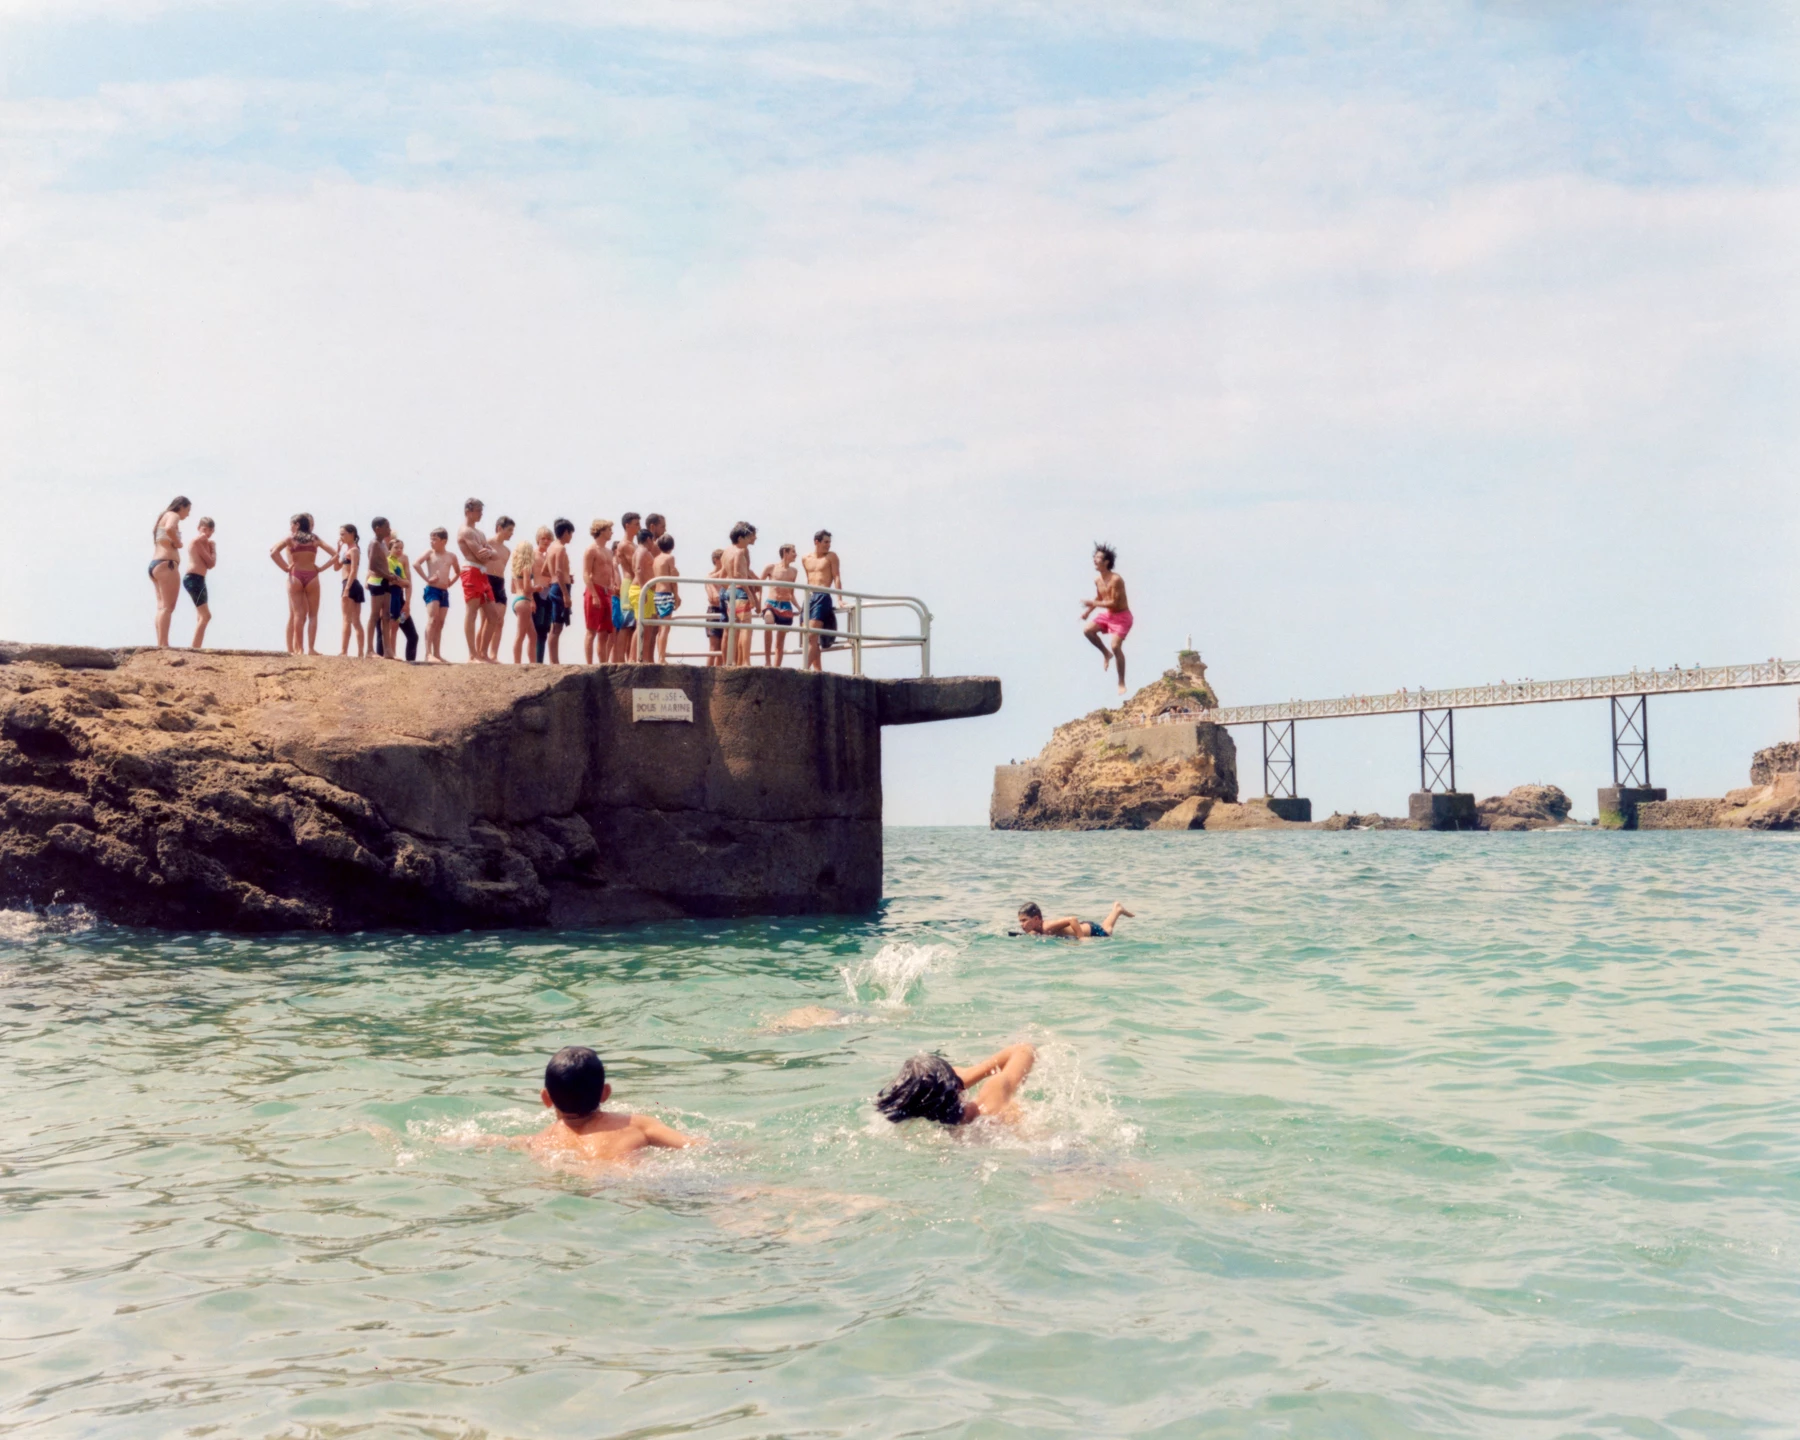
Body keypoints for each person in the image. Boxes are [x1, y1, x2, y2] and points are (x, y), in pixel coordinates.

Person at [519, 1046, 696, 1164]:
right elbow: (695, 1146)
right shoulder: (637, 1124)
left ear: (545, 1098)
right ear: (606, 1093)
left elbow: (503, 1141)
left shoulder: (539, 1141)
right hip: (632, 1181)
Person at [874, 1043, 1036, 1127]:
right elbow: (1024, 1050)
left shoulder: (940, 1135)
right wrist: (971, 1073)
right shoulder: (992, 1097)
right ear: (958, 1086)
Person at [270, 512, 327, 655]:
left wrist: (285, 567)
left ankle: (298, 648)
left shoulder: (295, 539)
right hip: (299, 575)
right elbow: (273, 550)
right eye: (310, 524)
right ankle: (293, 648)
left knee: (300, 614)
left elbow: (273, 551)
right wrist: (285, 567)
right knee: (297, 615)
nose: (311, 526)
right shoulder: (294, 539)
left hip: (296, 575)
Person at [1082, 543, 1132, 695]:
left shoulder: (1116, 580)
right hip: (1109, 615)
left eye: (1098, 558)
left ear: (1106, 562)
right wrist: (1088, 612)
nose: (1094, 560)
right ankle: (1105, 653)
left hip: (1122, 616)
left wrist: (1093, 603)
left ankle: (1121, 681)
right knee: (1087, 630)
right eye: (1094, 557)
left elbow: (1114, 602)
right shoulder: (1097, 580)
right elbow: (1099, 597)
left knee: (1116, 646)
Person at [456, 499, 497, 664]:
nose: (481, 514)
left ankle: (483, 653)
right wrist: (488, 552)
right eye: (478, 510)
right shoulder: (465, 531)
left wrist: (488, 552)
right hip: (471, 571)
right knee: (472, 611)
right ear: (468, 511)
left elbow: (494, 554)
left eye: (481, 510)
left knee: (493, 616)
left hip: (482, 573)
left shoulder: (480, 533)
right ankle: (472, 654)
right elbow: (481, 554)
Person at [148, 496, 191, 648]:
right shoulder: (173, 515)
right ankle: (164, 644)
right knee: (168, 607)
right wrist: (177, 542)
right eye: (188, 510)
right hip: (167, 564)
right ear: (181, 506)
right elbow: (170, 528)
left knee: (161, 607)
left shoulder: (162, 516)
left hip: (156, 564)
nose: (188, 514)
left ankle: (160, 643)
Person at [414, 527, 461, 663]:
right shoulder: (430, 553)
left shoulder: (451, 556)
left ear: (443, 541)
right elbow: (416, 564)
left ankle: (437, 653)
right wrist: (427, 578)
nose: (432, 542)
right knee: (432, 619)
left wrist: (449, 582)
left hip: (444, 592)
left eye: (435, 539)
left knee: (440, 622)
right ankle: (428, 653)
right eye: (431, 539)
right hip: (432, 590)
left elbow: (458, 572)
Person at [801, 529, 841, 673]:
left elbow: (836, 576)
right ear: (816, 542)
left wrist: (840, 598)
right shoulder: (805, 558)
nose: (828, 545)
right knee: (808, 637)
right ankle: (818, 670)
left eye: (829, 542)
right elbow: (808, 578)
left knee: (812, 634)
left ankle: (803, 669)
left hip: (823, 596)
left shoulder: (831, 557)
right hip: (809, 596)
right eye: (825, 542)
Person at [719, 521, 757, 666]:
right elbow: (737, 574)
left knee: (733, 629)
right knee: (746, 627)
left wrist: (728, 589)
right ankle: (745, 662)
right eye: (748, 537)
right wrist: (750, 594)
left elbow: (723, 576)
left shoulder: (726, 551)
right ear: (741, 538)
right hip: (740, 592)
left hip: (730, 592)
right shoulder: (740, 551)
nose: (750, 540)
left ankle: (731, 661)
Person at [581, 519, 616, 664]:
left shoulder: (609, 551)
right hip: (595, 589)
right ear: (601, 531)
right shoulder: (591, 550)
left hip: (607, 592)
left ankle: (603, 663)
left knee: (605, 631)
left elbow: (611, 571)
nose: (611, 532)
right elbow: (585, 573)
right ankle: (589, 664)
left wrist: (613, 586)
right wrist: (594, 595)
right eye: (608, 530)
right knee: (591, 630)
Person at [365, 518, 400, 661]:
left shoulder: (383, 544)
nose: (389, 530)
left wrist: (390, 576)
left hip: (385, 580)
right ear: (377, 528)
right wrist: (388, 576)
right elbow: (372, 565)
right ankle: (369, 650)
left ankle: (388, 650)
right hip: (377, 581)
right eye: (386, 527)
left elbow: (383, 563)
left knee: (386, 615)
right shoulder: (374, 543)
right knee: (375, 615)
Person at [760, 544, 800, 667]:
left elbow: (791, 593)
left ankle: (776, 667)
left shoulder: (794, 571)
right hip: (771, 602)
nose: (795, 554)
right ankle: (767, 661)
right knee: (768, 620)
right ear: (785, 552)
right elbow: (758, 586)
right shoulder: (771, 568)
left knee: (780, 640)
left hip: (786, 605)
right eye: (793, 552)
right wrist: (758, 603)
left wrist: (799, 608)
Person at [384, 530, 419, 663]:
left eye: (401, 548)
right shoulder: (384, 558)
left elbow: (407, 582)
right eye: (396, 547)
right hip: (386, 596)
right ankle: (389, 656)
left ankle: (407, 661)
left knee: (410, 635)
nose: (399, 550)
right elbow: (390, 578)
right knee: (387, 627)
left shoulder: (402, 560)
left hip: (399, 597)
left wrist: (407, 603)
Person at [482, 516, 514, 662]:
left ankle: (493, 654)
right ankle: (480, 654)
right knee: (486, 620)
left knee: (499, 621)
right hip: (487, 580)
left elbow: (502, 568)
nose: (511, 533)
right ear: (499, 528)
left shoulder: (507, 551)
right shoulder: (487, 543)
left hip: (500, 583)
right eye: (509, 530)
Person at [544, 518, 576, 665]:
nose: (571, 536)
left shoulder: (551, 548)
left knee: (555, 626)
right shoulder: (561, 548)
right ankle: (554, 662)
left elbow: (546, 571)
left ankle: (554, 660)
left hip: (554, 585)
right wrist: (565, 594)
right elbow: (557, 571)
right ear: (565, 532)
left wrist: (565, 576)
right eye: (570, 533)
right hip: (559, 588)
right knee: (556, 627)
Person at [183, 517, 216, 650]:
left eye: (210, 531)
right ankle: (194, 648)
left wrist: (211, 547)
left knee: (201, 615)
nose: (206, 534)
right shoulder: (197, 541)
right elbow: (211, 562)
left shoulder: (206, 543)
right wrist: (213, 548)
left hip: (199, 579)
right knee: (206, 615)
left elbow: (211, 564)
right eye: (204, 530)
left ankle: (197, 646)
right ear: (199, 528)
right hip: (193, 578)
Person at [1016, 901, 1132, 939]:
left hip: (1090, 930)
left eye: (1024, 920)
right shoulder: (1036, 929)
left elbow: (1072, 919)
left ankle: (1117, 910)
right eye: (1020, 921)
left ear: (1036, 919)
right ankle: (1117, 909)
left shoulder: (1047, 926)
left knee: (1108, 931)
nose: (1022, 924)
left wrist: (1082, 939)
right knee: (1106, 927)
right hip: (1083, 927)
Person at [333, 523, 366, 657]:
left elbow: (353, 570)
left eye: (343, 534)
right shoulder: (347, 550)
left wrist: (346, 589)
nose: (341, 537)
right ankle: (358, 652)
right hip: (352, 584)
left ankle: (344, 651)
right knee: (355, 620)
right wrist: (337, 550)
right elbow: (336, 567)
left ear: (351, 534)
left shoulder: (354, 550)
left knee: (348, 619)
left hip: (350, 583)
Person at [649, 533, 680, 663]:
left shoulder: (656, 559)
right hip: (666, 594)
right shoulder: (669, 558)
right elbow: (673, 578)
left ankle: (660, 655)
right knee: (665, 627)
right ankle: (661, 657)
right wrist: (677, 596)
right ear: (672, 546)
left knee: (661, 627)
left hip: (657, 594)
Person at [509, 533, 539, 664]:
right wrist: (537, 588)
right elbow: (527, 588)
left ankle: (532, 663)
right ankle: (517, 663)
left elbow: (512, 589)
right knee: (521, 635)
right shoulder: (527, 568)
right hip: (524, 601)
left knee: (532, 635)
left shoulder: (515, 570)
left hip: (517, 600)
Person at [530, 526, 557, 664]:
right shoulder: (532, 555)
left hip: (549, 594)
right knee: (535, 629)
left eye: (548, 538)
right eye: (543, 538)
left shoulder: (551, 555)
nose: (546, 541)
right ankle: (534, 661)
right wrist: (530, 599)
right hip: (537, 594)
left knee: (545, 629)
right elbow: (527, 577)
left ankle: (539, 661)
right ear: (538, 539)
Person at [614, 521, 640, 662]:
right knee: (626, 623)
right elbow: (634, 566)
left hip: (634, 583)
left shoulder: (633, 544)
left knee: (633, 624)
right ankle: (619, 660)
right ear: (627, 525)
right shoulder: (624, 544)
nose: (639, 526)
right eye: (636, 523)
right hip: (629, 582)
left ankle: (631, 657)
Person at [703, 548, 726, 666]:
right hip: (714, 611)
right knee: (714, 646)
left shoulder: (726, 576)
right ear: (716, 560)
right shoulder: (710, 576)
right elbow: (714, 598)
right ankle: (708, 673)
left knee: (723, 646)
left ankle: (718, 674)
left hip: (724, 610)